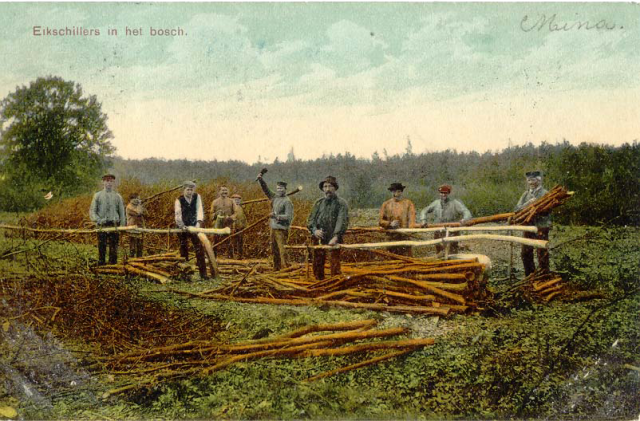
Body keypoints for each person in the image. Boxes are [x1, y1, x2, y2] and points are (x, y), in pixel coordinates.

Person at [307, 176, 349, 280]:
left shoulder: (341, 203)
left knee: (334, 262)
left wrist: (336, 236)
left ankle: (335, 283)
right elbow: (311, 219)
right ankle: (319, 283)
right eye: (325, 187)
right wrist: (314, 230)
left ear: (335, 188)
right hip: (319, 237)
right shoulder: (318, 203)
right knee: (317, 262)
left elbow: (342, 220)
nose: (327, 189)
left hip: (333, 237)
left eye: (330, 186)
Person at [515, 171, 551, 276]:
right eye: (529, 180)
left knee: (542, 252)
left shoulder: (545, 193)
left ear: (539, 180)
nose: (530, 182)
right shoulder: (526, 194)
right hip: (528, 226)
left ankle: (544, 276)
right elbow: (517, 209)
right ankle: (530, 276)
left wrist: (537, 208)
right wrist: (528, 203)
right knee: (525, 252)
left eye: (533, 180)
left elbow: (548, 210)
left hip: (541, 226)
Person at [419, 184, 472, 255]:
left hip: (452, 232)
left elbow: (466, 211)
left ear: (448, 193)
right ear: (439, 193)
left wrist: (464, 219)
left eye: (445, 193)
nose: (443, 195)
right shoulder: (436, 203)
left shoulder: (455, 203)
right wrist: (423, 220)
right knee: (439, 252)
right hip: (438, 232)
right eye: (442, 193)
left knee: (452, 253)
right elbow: (424, 210)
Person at [257, 173, 294, 270]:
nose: (279, 190)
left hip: (282, 230)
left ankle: (286, 269)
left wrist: (276, 216)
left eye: (281, 188)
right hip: (273, 228)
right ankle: (276, 268)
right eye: (278, 188)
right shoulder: (275, 197)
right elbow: (266, 190)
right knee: (274, 250)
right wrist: (261, 179)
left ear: (285, 189)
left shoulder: (287, 201)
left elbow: (288, 217)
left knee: (282, 250)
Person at [175, 181, 208, 280]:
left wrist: (198, 222)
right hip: (182, 226)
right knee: (184, 248)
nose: (190, 192)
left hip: (194, 226)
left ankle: (203, 274)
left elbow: (199, 210)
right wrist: (182, 226)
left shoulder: (197, 197)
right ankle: (185, 274)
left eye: (191, 190)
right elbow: (178, 214)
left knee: (199, 248)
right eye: (188, 190)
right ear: (184, 190)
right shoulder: (179, 200)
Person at [89, 174, 126, 266]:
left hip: (114, 224)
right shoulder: (97, 195)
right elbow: (92, 211)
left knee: (114, 246)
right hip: (102, 225)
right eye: (107, 181)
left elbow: (122, 213)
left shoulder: (118, 196)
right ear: (103, 182)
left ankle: (113, 264)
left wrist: (122, 226)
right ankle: (102, 263)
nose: (109, 183)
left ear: (114, 183)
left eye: (111, 181)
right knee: (102, 245)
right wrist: (98, 220)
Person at [379, 182, 418, 256]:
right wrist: (390, 224)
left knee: (407, 258)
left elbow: (412, 220)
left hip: (404, 237)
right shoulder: (386, 204)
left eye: (398, 191)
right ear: (391, 192)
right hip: (391, 237)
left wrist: (409, 231)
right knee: (391, 258)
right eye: (394, 191)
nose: (396, 194)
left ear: (402, 192)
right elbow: (380, 221)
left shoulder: (408, 203)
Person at [211, 186, 239, 258]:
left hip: (228, 223)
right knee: (215, 239)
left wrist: (230, 218)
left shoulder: (231, 201)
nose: (224, 192)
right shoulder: (215, 202)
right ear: (219, 192)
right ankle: (213, 256)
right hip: (217, 223)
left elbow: (236, 213)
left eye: (226, 190)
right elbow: (211, 214)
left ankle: (230, 257)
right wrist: (216, 214)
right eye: (223, 190)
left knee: (229, 239)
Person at [126, 192, 146, 258]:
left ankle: (139, 259)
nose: (138, 200)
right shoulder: (129, 207)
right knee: (132, 246)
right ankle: (131, 259)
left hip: (140, 227)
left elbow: (145, 213)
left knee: (140, 245)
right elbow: (138, 213)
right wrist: (140, 205)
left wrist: (141, 206)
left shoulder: (139, 206)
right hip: (132, 227)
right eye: (137, 198)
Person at [230, 194, 247, 259]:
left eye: (238, 199)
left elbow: (244, 217)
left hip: (241, 227)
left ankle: (240, 255)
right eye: (235, 199)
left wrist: (245, 225)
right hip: (233, 227)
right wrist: (233, 227)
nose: (237, 201)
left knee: (240, 241)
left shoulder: (241, 207)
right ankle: (232, 255)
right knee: (233, 242)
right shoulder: (231, 208)